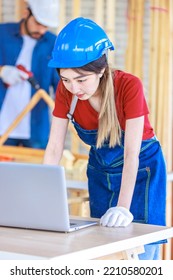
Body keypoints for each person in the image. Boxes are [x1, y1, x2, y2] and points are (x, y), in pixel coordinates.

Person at [43, 17, 167, 260]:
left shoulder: (129, 86)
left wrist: (123, 206)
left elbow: (131, 154)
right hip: (101, 169)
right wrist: (42, 196)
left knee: (141, 252)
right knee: (103, 250)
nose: (73, 88)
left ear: (100, 70)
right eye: (66, 80)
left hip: (141, 171)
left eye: (81, 80)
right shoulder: (66, 91)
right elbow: (55, 146)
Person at [0, 0, 59, 149]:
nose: (42, 30)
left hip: (36, 128)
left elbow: (61, 84)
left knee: (38, 171)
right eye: (38, 23)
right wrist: (2, 71)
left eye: (46, 26)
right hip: (3, 124)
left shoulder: (53, 43)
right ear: (27, 13)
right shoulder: (2, 34)